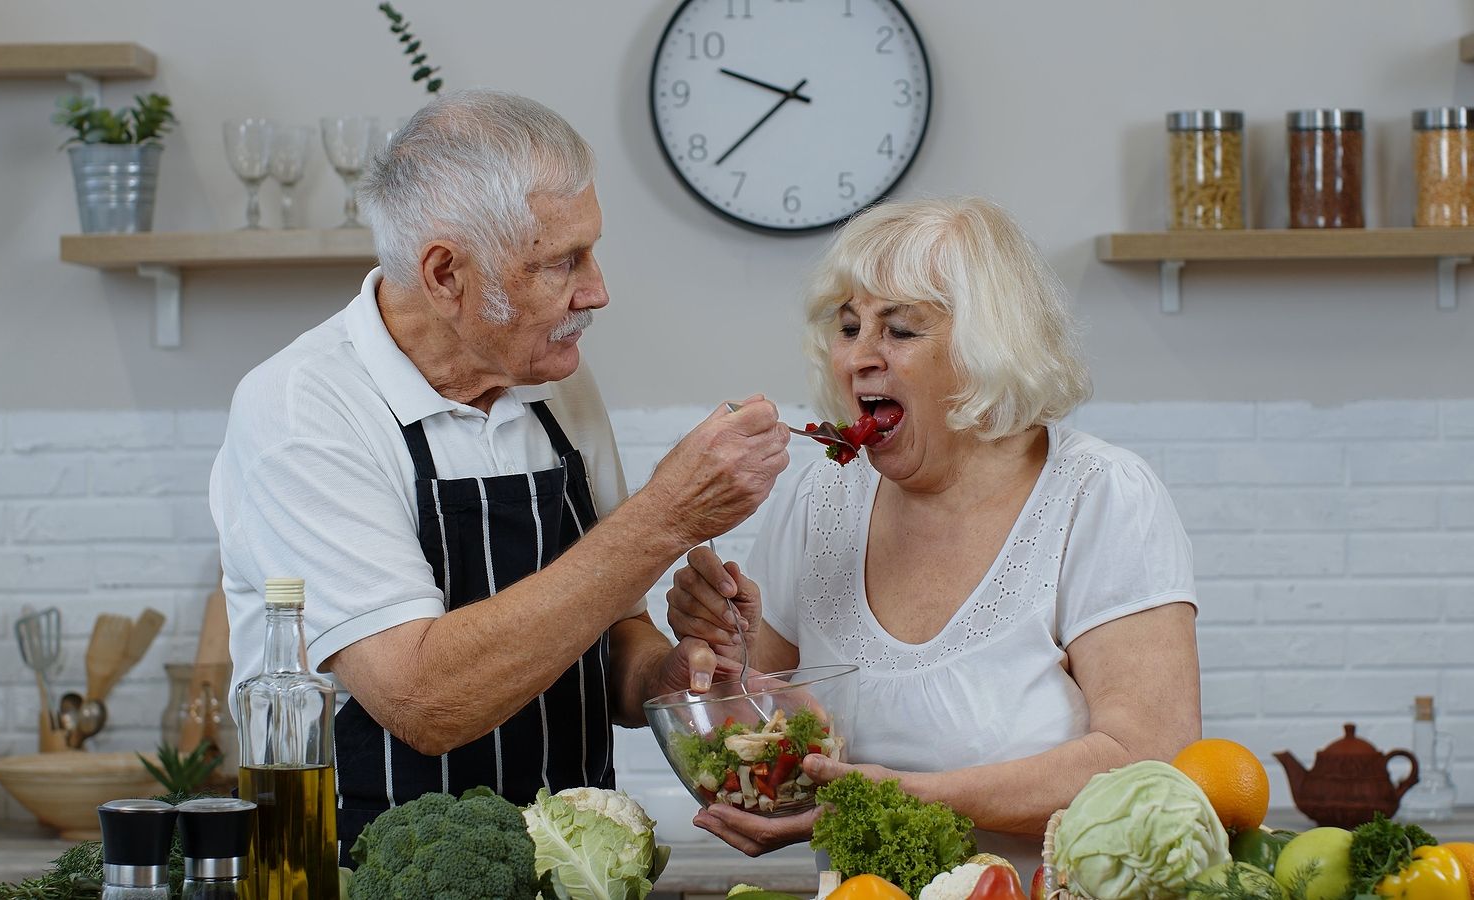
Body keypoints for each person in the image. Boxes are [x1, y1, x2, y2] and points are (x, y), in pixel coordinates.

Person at [209, 89, 789, 863]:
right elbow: (422, 699)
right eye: (562, 262)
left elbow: (612, 626)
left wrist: (666, 674)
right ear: (446, 273)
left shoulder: (557, 388)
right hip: (363, 871)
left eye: (592, 249)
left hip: (577, 870)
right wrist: (666, 517)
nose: (598, 290)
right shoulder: (304, 408)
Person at [666, 197, 1202, 869]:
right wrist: (724, 650)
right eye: (849, 326)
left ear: (989, 348)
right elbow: (761, 739)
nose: (858, 357)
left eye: (899, 331)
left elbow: (1148, 760)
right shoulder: (820, 494)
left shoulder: (1101, 496)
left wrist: (907, 796)